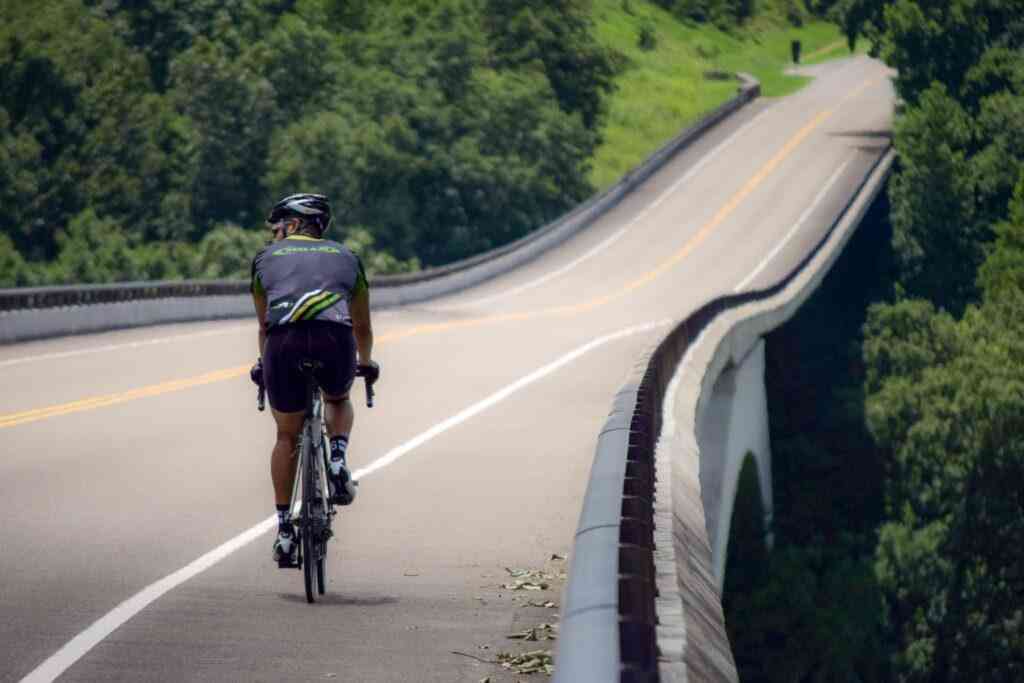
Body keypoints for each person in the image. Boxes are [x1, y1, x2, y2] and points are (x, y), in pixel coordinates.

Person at [249, 193, 378, 567]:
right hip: (333, 339)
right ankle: (337, 457)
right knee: (337, 398)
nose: (275, 234)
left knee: (286, 435)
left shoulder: (262, 259)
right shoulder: (348, 257)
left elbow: (264, 323)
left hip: (282, 343)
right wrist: (365, 363)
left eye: (278, 227)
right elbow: (363, 326)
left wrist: (263, 362)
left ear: (292, 225)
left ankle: (285, 533)